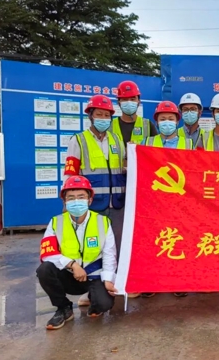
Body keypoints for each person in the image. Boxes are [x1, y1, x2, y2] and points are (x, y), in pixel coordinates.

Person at [64, 95, 135, 304]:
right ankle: (90, 291)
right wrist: (68, 202)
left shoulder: (116, 140)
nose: (103, 118)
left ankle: (119, 284)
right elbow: (70, 173)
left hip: (117, 203)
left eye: (107, 115)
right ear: (90, 116)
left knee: (119, 246)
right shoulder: (79, 140)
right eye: (99, 114)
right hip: (93, 205)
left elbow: (124, 167)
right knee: (93, 249)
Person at [36, 176, 117, 330]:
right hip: (68, 275)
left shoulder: (103, 222)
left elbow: (109, 254)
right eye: (71, 198)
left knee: (104, 304)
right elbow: (47, 253)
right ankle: (63, 308)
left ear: (90, 200)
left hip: (94, 275)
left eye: (81, 197)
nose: (76, 201)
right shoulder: (56, 222)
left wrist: (108, 279)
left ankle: (94, 298)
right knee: (44, 269)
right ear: (64, 201)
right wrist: (72, 264)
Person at [144, 100, 192, 298]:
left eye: (170, 119)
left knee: (178, 240)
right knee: (153, 240)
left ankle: (178, 280)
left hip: (179, 202)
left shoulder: (188, 143)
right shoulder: (147, 143)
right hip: (153, 201)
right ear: (156, 121)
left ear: (177, 121)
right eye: (162, 119)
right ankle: (151, 281)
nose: (166, 122)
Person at [109, 80, 158, 146]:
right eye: (125, 99)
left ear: (139, 102)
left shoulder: (148, 125)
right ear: (118, 102)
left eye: (132, 99)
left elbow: (155, 149)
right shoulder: (110, 125)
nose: (129, 102)